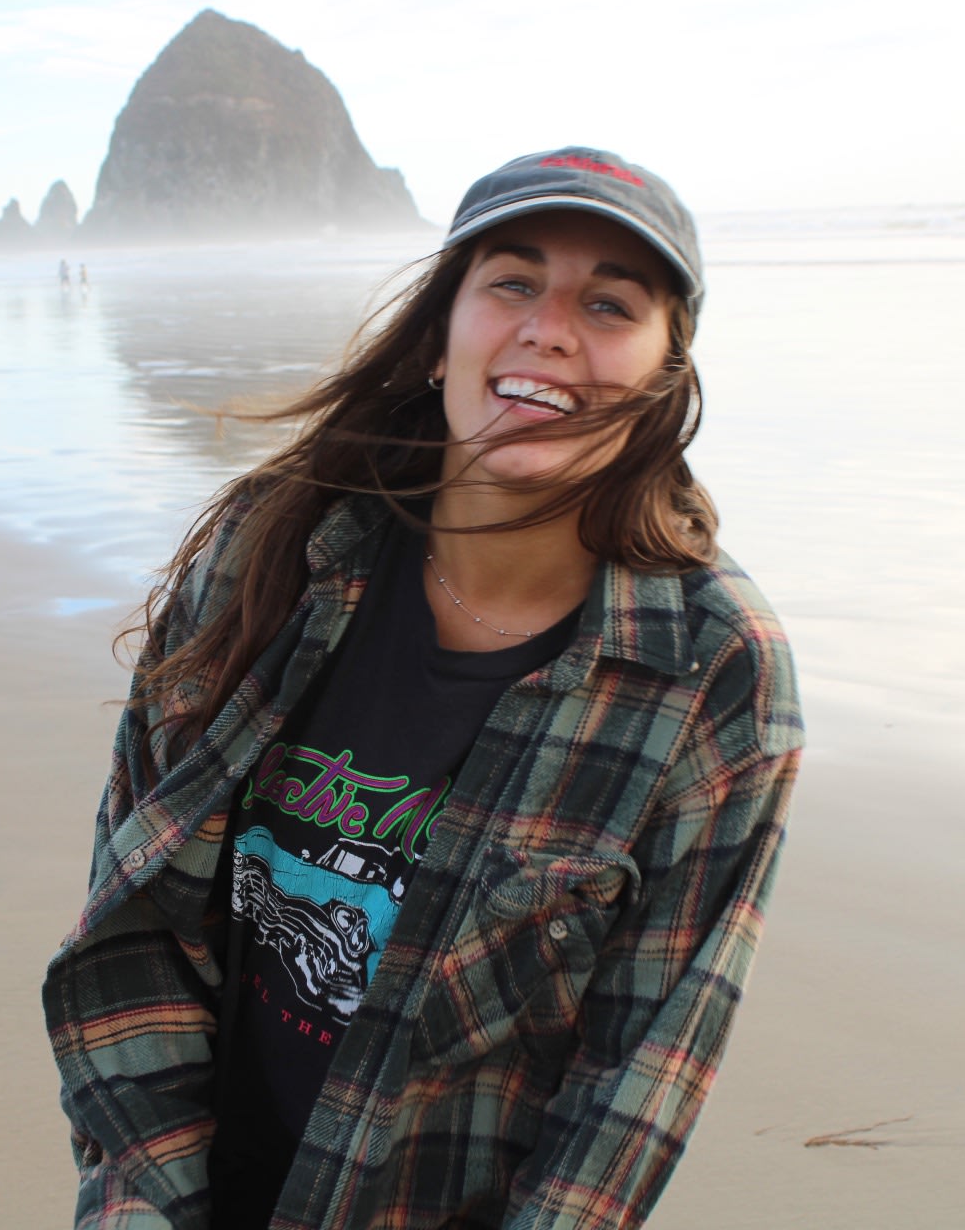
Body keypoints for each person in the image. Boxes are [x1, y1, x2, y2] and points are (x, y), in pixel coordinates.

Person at [43, 147, 803, 1230]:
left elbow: (637, 1084)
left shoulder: (712, 668)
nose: (549, 328)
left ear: (663, 379)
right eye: (513, 281)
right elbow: (137, 921)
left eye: (610, 303)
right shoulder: (273, 549)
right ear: (440, 336)